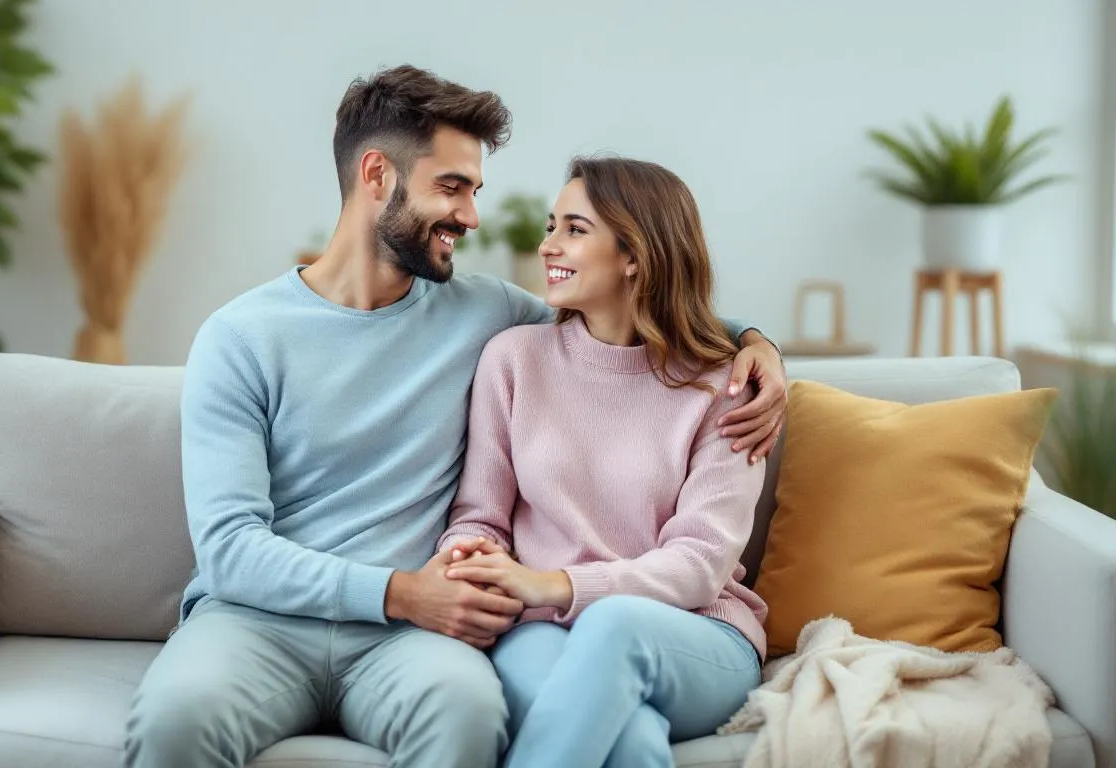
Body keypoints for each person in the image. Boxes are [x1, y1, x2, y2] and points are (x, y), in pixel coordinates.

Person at [123, 65, 786, 768]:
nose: (471, 216)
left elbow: (632, 326)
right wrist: (404, 592)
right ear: (377, 175)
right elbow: (228, 548)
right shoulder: (241, 336)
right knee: (177, 719)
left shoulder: (487, 315)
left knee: (470, 715)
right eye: (451, 188)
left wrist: (754, 343)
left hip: (410, 644)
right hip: (263, 624)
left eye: (474, 191)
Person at [438, 156, 771, 768]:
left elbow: (699, 563)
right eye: (550, 225)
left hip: (694, 635)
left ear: (635, 255)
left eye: (574, 228)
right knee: (632, 740)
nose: (547, 246)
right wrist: (471, 557)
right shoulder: (513, 360)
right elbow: (479, 514)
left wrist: (555, 584)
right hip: (538, 630)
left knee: (614, 626)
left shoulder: (726, 385)